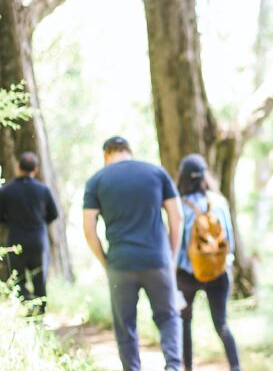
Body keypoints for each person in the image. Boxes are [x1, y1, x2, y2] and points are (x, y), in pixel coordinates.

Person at [83, 136, 183, 371]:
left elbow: (89, 230)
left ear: (106, 155)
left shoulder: (96, 180)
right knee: (168, 318)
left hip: (119, 264)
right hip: (157, 260)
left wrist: (105, 262)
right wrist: (172, 256)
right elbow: (177, 217)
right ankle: (174, 367)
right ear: (129, 151)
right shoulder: (156, 173)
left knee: (125, 326)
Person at [175, 154, 241, 371]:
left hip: (186, 275)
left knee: (184, 323)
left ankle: (188, 368)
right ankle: (235, 366)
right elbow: (228, 241)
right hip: (218, 273)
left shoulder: (178, 206)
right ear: (204, 176)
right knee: (221, 323)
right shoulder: (219, 201)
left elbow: (177, 245)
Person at [0, 152, 59, 315]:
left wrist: (12, 222)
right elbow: (54, 214)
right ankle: (40, 314)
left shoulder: (6, 191)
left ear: (17, 166)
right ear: (35, 170)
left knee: (17, 279)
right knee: (40, 280)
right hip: (38, 241)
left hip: (16, 240)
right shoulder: (43, 190)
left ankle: (27, 305)